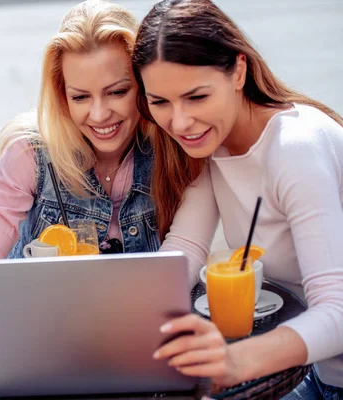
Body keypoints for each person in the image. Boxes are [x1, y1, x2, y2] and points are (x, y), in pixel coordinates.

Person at [131, 0, 343, 397]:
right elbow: (186, 248)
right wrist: (125, 322)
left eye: (196, 97)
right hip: (319, 373)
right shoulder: (212, 145)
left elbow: (339, 311)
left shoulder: (295, 148)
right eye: (159, 102)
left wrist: (235, 362)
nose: (179, 122)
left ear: (239, 72)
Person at [0, 0, 159, 260]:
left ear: (143, 84)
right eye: (81, 97)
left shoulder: (169, 152)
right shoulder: (30, 153)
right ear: (61, 94)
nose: (100, 114)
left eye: (117, 92)